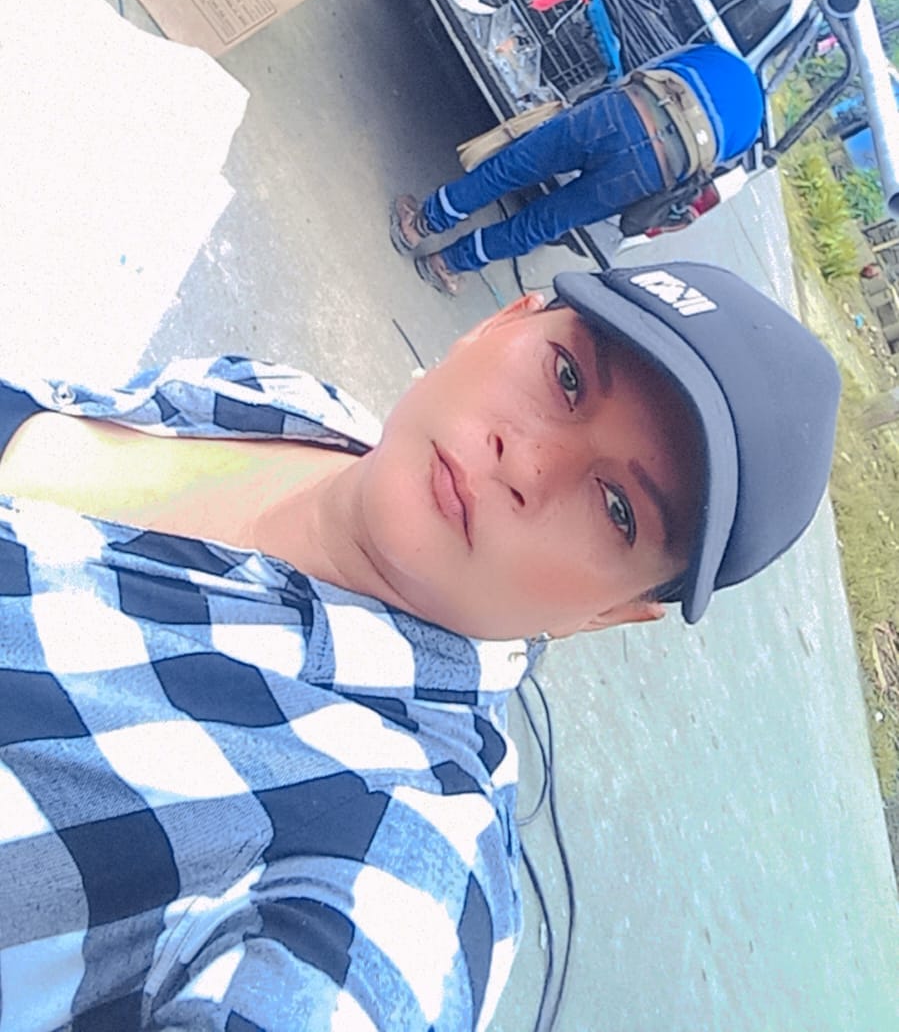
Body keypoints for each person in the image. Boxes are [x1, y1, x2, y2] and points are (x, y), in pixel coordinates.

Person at [0, 260, 840, 1029]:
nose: (528, 460)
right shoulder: (287, 404)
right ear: (501, 321)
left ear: (612, 613)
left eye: (617, 507)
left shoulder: (395, 847)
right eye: (566, 377)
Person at [391, 42, 765, 295]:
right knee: (543, 223)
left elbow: (648, 69)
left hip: (623, 111)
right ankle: (447, 263)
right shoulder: (750, 130)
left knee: (513, 167)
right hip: (653, 169)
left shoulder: (718, 56)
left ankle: (419, 225)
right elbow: (702, 173)